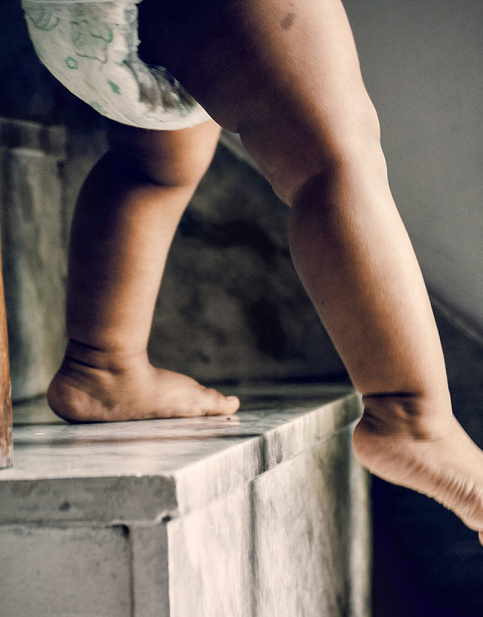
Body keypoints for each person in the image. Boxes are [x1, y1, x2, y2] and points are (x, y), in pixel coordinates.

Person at [20, 0, 483, 544]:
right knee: (331, 154)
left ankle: (102, 363)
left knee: (153, 167)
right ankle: (411, 413)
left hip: (75, 28)